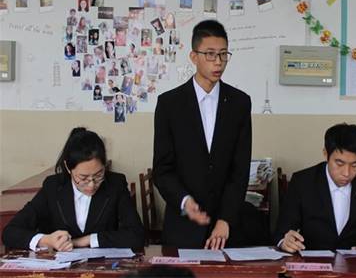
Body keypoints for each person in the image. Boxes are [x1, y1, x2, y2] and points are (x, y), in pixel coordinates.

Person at [153, 20, 251, 249]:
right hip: (182, 227)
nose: (218, 62)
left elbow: (240, 169)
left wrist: (225, 219)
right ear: (193, 57)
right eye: (210, 54)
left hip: (225, 229)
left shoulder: (239, 103)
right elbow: (162, 169)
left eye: (223, 54)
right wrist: (185, 202)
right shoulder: (169, 104)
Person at [1, 127, 144, 250]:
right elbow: (10, 232)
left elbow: (137, 235)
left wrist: (86, 240)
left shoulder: (115, 184)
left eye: (99, 175)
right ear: (68, 168)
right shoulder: (53, 187)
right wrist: (46, 240)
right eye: (83, 178)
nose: (91, 184)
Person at [274, 123, 356, 253]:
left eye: (354, 165)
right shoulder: (302, 183)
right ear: (326, 154)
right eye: (339, 163)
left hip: (355, 263)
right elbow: (281, 232)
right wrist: (285, 242)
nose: (346, 173)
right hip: (312, 262)